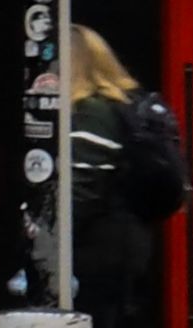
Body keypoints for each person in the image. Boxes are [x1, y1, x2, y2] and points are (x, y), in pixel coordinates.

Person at [69, 25, 154, 328]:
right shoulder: (119, 107)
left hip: (101, 250)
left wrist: (45, 238)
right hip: (121, 244)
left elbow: (82, 188)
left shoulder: (93, 113)